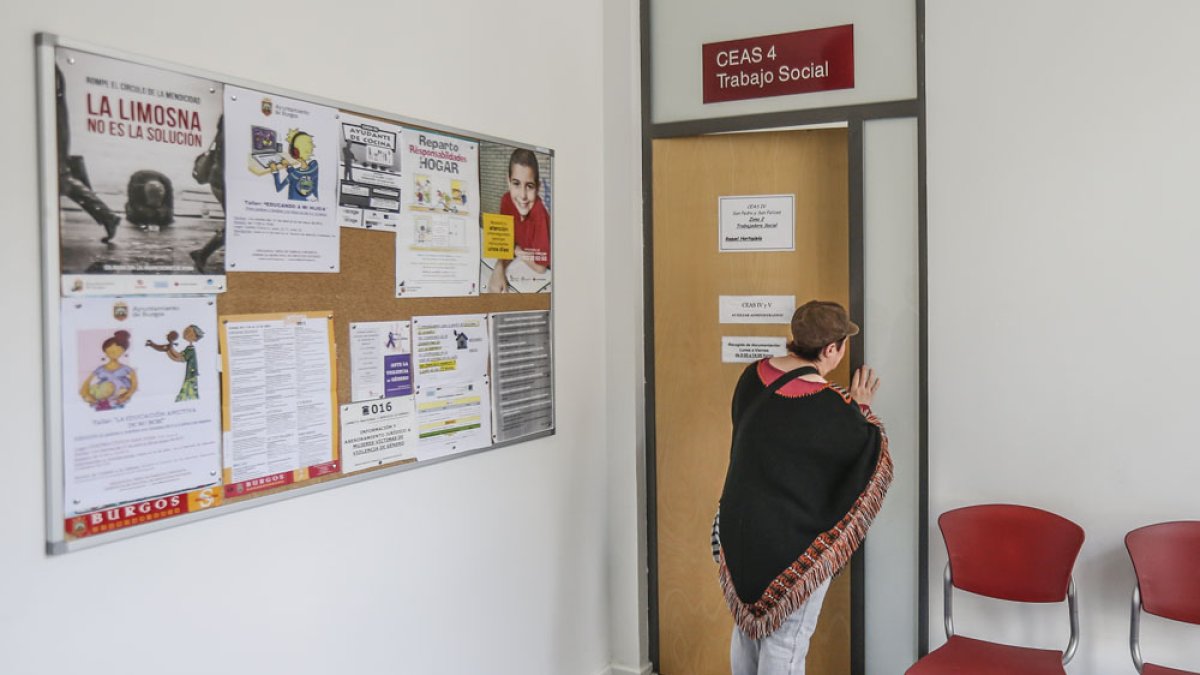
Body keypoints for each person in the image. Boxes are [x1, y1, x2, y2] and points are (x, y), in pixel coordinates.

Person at [712, 300, 892, 675]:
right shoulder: (830, 406)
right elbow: (866, 454)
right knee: (786, 642)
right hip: (788, 546)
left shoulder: (752, 376)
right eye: (842, 345)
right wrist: (859, 409)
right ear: (831, 349)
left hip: (738, 528)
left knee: (747, 631)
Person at [56, 66, 121, 243]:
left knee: (62, 178)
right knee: (61, 178)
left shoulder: (52, 71)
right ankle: (108, 217)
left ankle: (108, 216)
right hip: (53, 130)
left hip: (53, 131)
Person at [487, 148, 550, 292]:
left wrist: (515, 250)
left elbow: (540, 268)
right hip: (522, 262)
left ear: (538, 187)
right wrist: (498, 269)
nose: (523, 195)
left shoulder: (539, 212)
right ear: (508, 181)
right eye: (516, 184)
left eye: (529, 186)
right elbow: (504, 245)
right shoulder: (506, 201)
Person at [79, 330, 138, 411]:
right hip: (101, 397)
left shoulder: (127, 369)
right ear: (105, 352)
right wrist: (86, 395)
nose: (114, 353)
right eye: (110, 351)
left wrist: (126, 396)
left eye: (118, 351)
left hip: (119, 399)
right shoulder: (100, 369)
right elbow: (86, 383)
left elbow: (134, 386)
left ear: (123, 352)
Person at [145, 324, 205, 401]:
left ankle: (187, 398)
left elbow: (180, 358)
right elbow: (178, 356)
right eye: (186, 331)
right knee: (188, 389)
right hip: (190, 374)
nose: (186, 333)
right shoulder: (189, 348)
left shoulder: (191, 350)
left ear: (194, 337)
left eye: (188, 332)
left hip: (191, 374)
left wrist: (169, 348)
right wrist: (169, 348)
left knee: (189, 389)